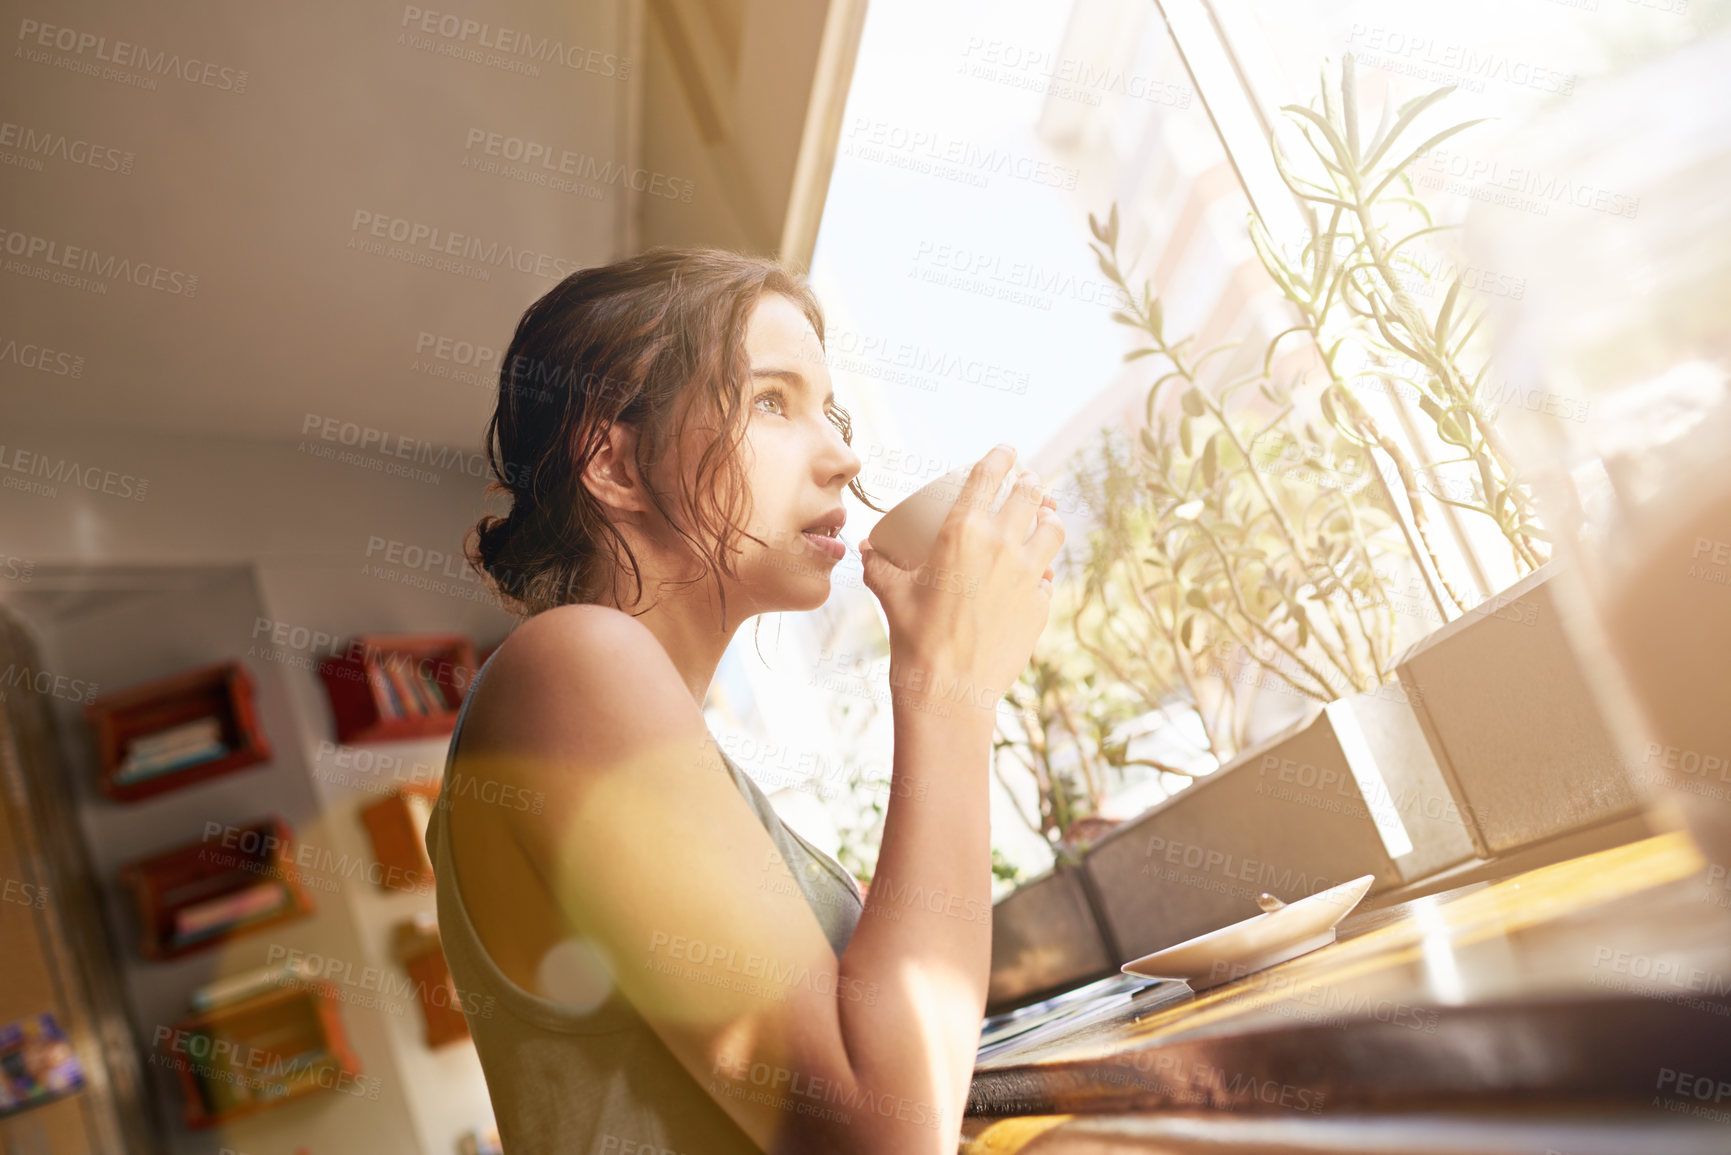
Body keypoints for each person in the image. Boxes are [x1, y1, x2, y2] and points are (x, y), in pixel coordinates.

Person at [428, 247, 1064, 1154]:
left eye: (831, 411)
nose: (844, 457)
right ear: (614, 465)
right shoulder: (570, 664)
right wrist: (950, 688)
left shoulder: (656, 733)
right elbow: (881, 1137)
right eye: (772, 401)